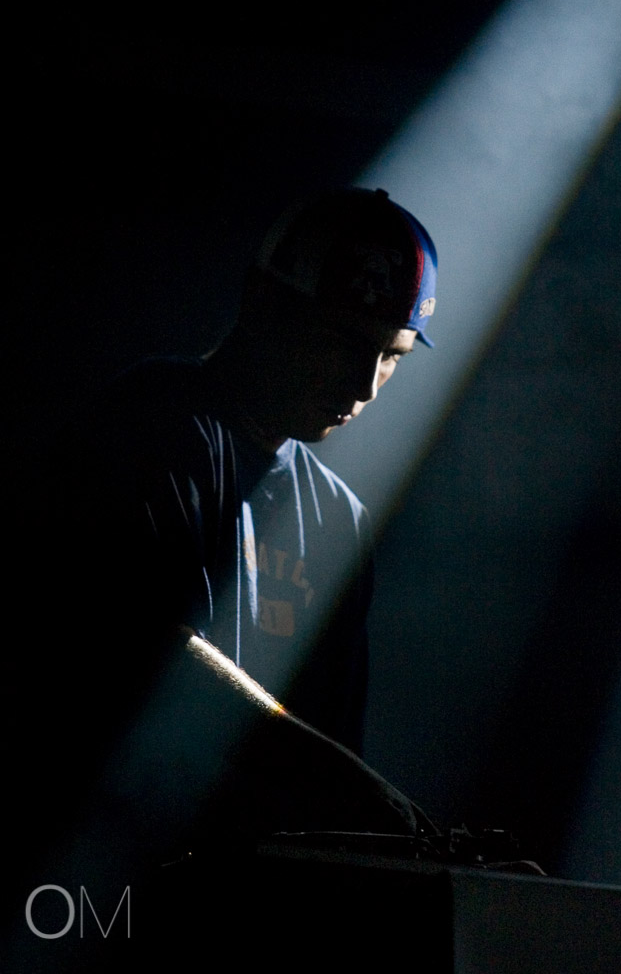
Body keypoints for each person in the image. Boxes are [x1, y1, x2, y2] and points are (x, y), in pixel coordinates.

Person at [11, 186, 439, 895]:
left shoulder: (340, 517)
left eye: (390, 356)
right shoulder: (151, 421)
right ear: (263, 302)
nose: (365, 385)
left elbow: (333, 740)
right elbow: (133, 651)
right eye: (343, 342)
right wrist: (332, 775)